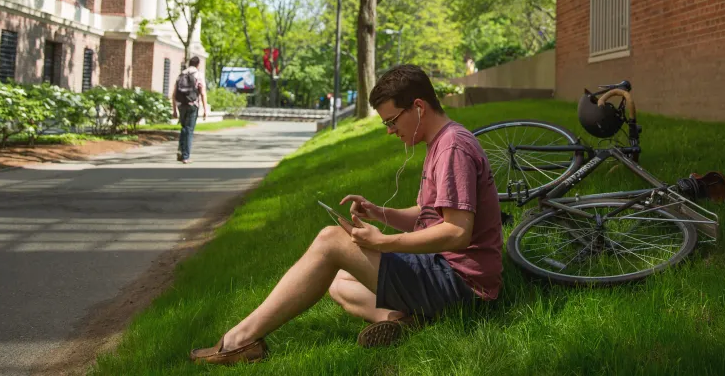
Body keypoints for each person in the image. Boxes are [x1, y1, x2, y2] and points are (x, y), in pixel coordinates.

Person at [189, 64, 503, 365]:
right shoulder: (441, 143)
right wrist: (378, 212)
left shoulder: (452, 149)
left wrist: (384, 243)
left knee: (330, 242)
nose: (390, 131)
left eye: (392, 121)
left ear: (418, 107)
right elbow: (427, 216)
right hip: (442, 272)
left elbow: (457, 232)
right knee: (339, 282)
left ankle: (241, 341)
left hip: (462, 284)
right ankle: (409, 322)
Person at [171, 56, 207, 164]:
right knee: (189, 130)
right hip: (193, 104)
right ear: (198, 64)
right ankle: (186, 157)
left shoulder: (181, 74)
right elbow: (203, 93)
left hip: (181, 104)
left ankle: (180, 151)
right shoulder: (199, 75)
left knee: (184, 128)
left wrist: (174, 109)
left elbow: (174, 93)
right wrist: (205, 110)